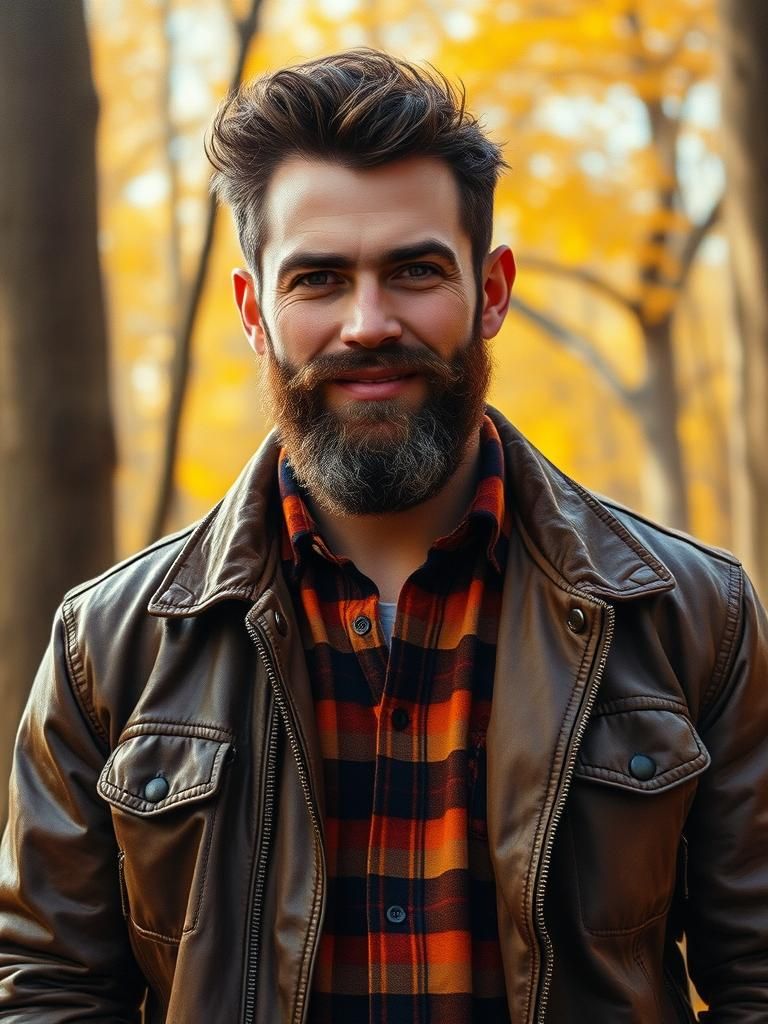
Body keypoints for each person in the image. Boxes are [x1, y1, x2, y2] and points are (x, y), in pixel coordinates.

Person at [0, 48, 766, 1024]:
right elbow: (46, 990)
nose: (368, 322)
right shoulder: (108, 649)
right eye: (318, 278)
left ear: (491, 292)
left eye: (413, 270)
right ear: (254, 312)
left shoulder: (693, 619)